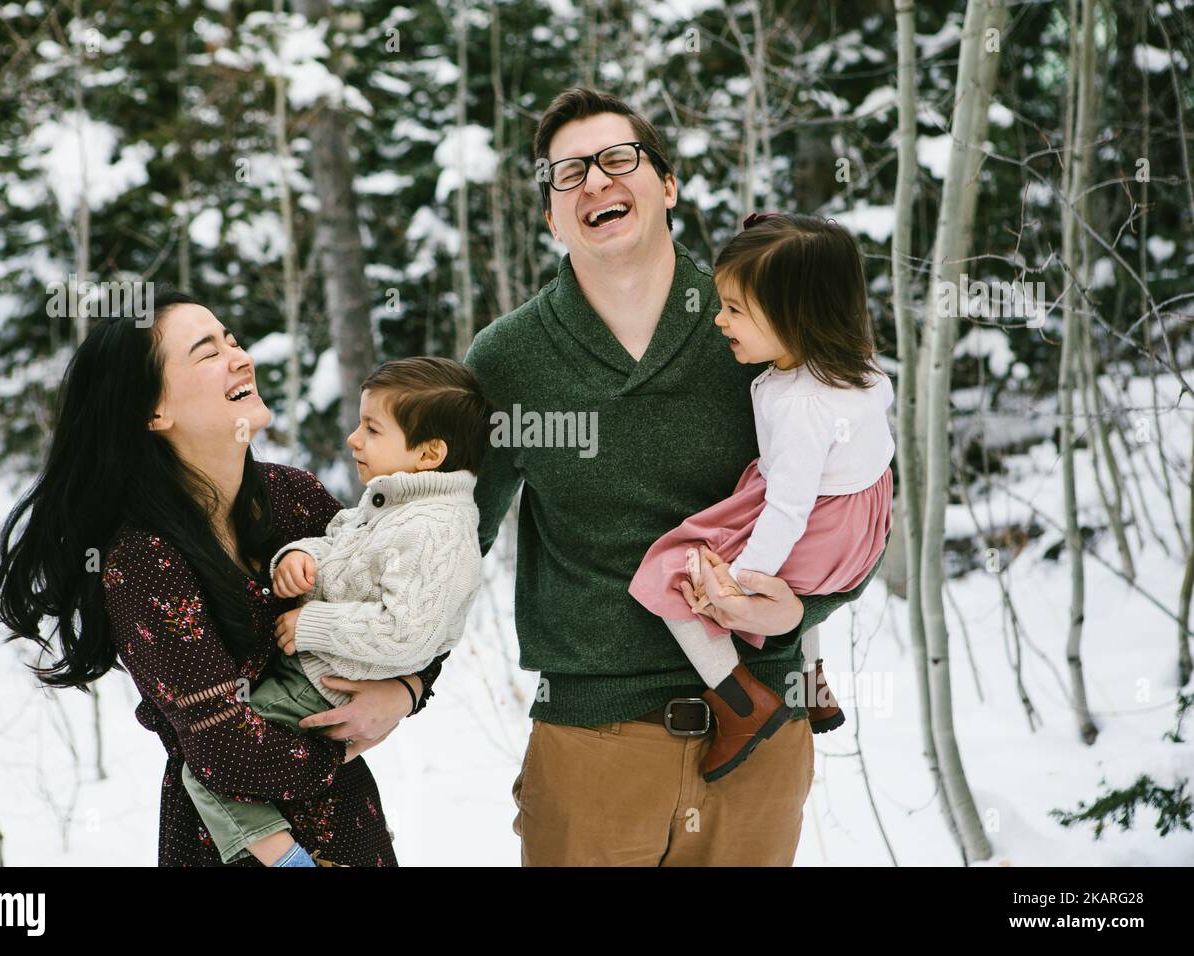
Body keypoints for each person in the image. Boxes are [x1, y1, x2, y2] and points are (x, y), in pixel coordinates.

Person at [464, 87, 885, 866]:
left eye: (617, 160)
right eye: (568, 174)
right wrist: (397, 678)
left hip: (762, 742)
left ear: (667, 184)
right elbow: (455, 534)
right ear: (552, 215)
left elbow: (856, 494)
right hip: (593, 742)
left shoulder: (763, 322)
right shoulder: (507, 358)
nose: (594, 181)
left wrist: (805, 604)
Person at [0, 292, 446, 866]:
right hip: (231, 845)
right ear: (153, 411)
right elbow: (225, 748)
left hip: (349, 825)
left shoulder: (295, 498)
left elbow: (417, 605)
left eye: (233, 341)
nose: (239, 357)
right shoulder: (142, 559)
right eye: (206, 353)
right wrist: (349, 734)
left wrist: (405, 691)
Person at [179, 357, 488, 866]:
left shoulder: (436, 529)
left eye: (371, 428)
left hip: (324, 681)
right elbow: (341, 546)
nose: (353, 439)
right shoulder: (394, 503)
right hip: (318, 675)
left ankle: (287, 861)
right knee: (227, 767)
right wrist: (299, 557)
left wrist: (311, 624)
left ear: (430, 453)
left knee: (213, 773)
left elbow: (405, 633)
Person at [628, 212, 895, 783]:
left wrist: (741, 581)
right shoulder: (856, 370)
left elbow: (789, 512)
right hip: (856, 518)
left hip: (812, 520)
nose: (719, 321)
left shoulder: (801, 407)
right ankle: (812, 679)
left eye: (734, 311)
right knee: (788, 578)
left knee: (675, 569)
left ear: (793, 317)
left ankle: (740, 703)